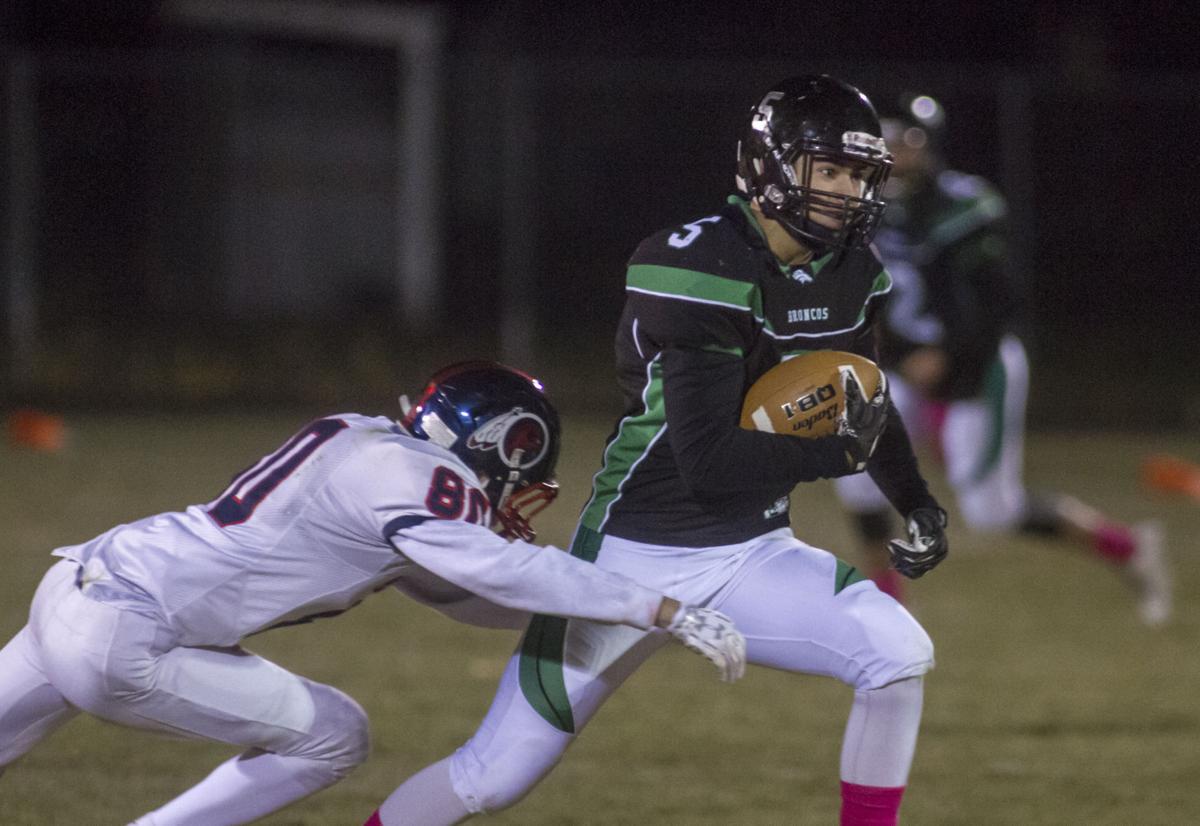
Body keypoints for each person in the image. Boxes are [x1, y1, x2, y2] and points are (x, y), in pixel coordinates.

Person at [368, 76, 947, 826]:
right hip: (630, 558)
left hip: (750, 552)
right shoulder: (701, 264)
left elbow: (864, 397)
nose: (847, 191)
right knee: (492, 778)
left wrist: (916, 499)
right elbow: (708, 462)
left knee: (897, 656)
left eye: (859, 174)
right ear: (770, 167)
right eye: (828, 170)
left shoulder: (850, 271)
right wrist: (832, 457)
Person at [0, 361, 746, 825]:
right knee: (336, 735)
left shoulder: (360, 437)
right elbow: (497, 571)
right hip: (125, 637)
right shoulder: (422, 479)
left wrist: (604, 615)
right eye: (514, 478)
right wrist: (655, 606)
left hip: (73, 587)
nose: (509, 500)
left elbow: (458, 592)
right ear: (491, 445)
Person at [832, 93, 1171, 624]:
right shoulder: (865, 208)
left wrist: (944, 356)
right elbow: (865, 297)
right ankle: (888, 609)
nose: (897, 154)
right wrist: (902, 352)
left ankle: (1127, 548)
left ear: (931, 145)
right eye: (888, 142)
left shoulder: (966, 206)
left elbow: (997, 306)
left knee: (992, 511)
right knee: (854, 459)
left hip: (977, 365)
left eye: (908, 142)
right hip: (909, 361)